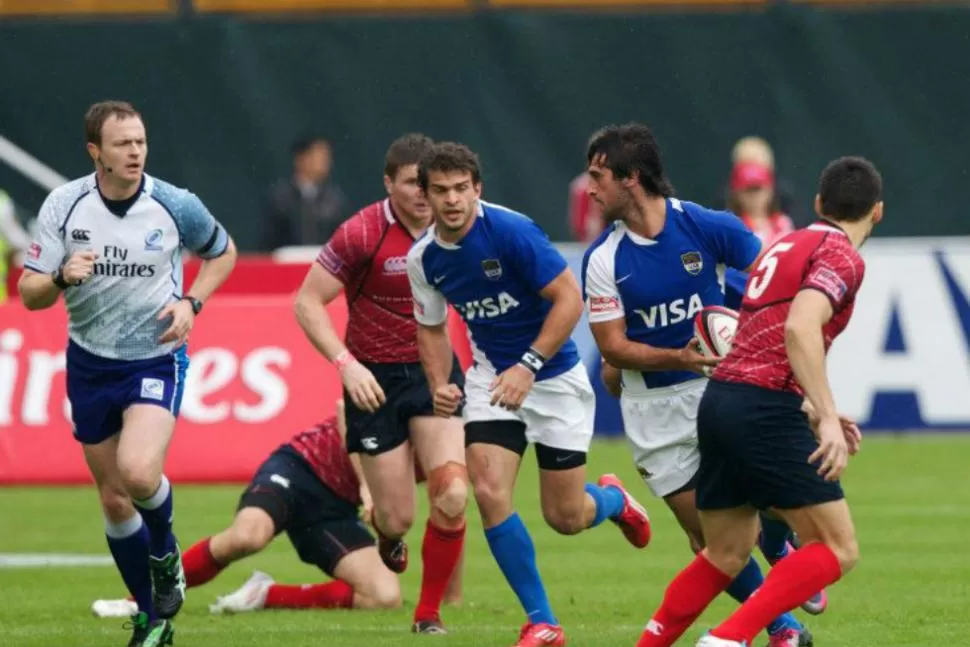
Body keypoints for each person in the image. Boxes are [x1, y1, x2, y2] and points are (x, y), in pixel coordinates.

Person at [408, 141, 651, 647]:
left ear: (477, 189)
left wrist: (529, 365)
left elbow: (568, 298)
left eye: (460, 189)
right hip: (490, 379)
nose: (452, 200)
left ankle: (612, 500)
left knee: (565, 518)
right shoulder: (424, 259)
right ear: (425, 197)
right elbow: (430, 328)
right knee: (490, 491)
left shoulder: (511, 231)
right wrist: (439, 383)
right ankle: (542, 621)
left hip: (554, 378)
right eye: (440, 191)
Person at [581, 123, 811, 647]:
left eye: (598, 177)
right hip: (653, 411)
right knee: (707, 539)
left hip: (718, 394)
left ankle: (778, 556)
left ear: (631, 178)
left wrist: (733, 326)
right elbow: (613, 348)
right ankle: (784, 624)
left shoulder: (705, 226)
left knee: (755, 520)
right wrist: (680, 354)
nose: (590, 189)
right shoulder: (603, 259)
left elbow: (769, 280)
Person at [17, 100, 237, 647]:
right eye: (123, 144)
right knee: (114, 498)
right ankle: (153, 619)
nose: (136, 152)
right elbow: (27, 293)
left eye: (140, 141)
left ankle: (166, 555)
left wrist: (192, 303)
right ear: (96, 152)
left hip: (154, 357)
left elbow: (223, 252)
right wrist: (63, 277)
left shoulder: (174, 204)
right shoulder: (65, 205)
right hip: (89, 362)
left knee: (139, 474)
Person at [633, 156, 878, 647]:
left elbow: (762, 336)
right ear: (877, 212)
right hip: (763, 408)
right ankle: (727, 639)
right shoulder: (843, 256)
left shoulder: (784, 243)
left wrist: (813, 406)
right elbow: (799, 328)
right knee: (836, 547)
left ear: (816, 204)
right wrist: (826, 417)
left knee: (725, 551)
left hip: (722, 400)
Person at [293, 133, 468, 635]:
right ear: (388, 183)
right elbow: (307, 303)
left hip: (434, 372)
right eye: (412, 182)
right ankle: (388, 534)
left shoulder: (457, 224)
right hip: (373, 380)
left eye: (429, 183)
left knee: (454, 494)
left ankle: (428, 613)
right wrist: (346, 363)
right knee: (396, 519)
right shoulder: (360, 232)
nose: (424, 193)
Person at [90, 401, 463, 618]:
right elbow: (343, 408)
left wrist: (452, 597)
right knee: (247, 537)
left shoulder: (448, 449)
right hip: (300, 469)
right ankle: (139, 601)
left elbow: (447, 513)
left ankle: (267, 594)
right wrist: (366, 485)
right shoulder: (419, 404)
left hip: (334, 509)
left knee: (384, 596)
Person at [262, 135, 348, 251]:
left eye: (326, 158)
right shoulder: (280, 198)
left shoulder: (334, 200)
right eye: (317, 157)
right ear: (300, 159)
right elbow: (269, 241)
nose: (324, 163)